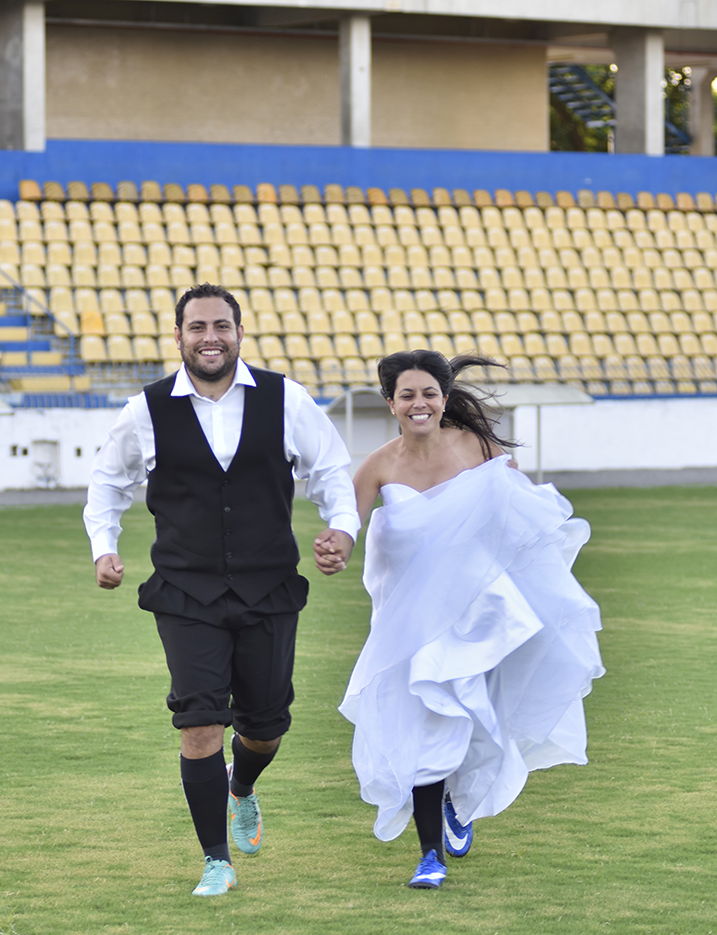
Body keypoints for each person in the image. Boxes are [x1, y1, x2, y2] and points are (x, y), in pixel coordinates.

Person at [84, 283, 358, 896]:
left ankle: (243, 785)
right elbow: (107, 483)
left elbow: (333, 471)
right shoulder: (144, 410)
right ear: (178, 336)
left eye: (222, 326)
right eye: (197, 327)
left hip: (268, 588)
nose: (210, 336)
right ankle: (215, 860)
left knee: (265, 727)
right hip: (185, 591)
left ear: (239, 333)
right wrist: (104, 546)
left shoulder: (286, 399)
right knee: (200, 722)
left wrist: (342, 529)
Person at [339, 350, 604, 889]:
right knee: (427, 725)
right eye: (407, 394)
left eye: (429, 393)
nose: (420, 403)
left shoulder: (477, 448)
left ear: (443, 398)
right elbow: (347, 526)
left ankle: (461, 801)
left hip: (482, 616)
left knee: (478, 718)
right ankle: (430, 854)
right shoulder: (377, 468)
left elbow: (519, 509)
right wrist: (334, 546)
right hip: (413, 626)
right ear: (390, 402)